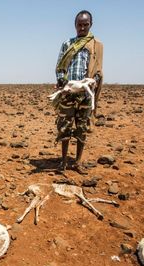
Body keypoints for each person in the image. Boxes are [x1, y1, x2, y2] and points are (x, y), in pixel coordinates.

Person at [54, 10, 103, 174]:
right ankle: (63, 162)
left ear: (91, 25)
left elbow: (98, 69)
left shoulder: (96, 46)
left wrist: (94, 79)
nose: (82, 28)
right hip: (68, 93)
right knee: (65, 127)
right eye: (79, 25)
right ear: (75, 25)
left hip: (85, 94)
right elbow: (60, 67)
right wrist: (62, 80)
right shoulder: (67, 44)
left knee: (82, 128)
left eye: (85, 24)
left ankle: (78, 162)